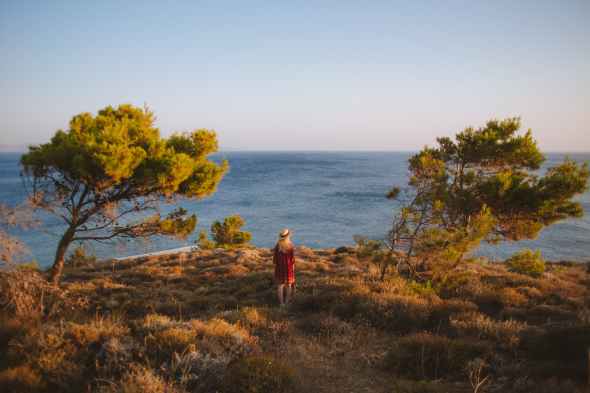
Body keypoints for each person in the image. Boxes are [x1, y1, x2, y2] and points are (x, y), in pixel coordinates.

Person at [273, 228, 295, 307]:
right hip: (288, 268)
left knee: (280, 286)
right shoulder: (290, 245)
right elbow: (292, 260)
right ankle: (287, 302)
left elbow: (274, 260)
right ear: (288, 235)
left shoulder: (278, 245)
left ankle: (281, 304)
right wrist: (293, 269)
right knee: (289, 285)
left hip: (279, 268)